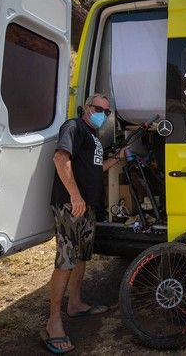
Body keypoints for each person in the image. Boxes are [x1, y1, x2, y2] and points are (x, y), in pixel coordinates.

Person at [41, 93, 123, 354]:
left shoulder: (94, 138)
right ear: (86, 108)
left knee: (81, 257)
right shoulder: (73, 127)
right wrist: (75, 195)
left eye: (106, 112)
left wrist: (118, 157)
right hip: (70, 204)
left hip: (87, 206)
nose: (102, 114)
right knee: (65, 259)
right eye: (98, 108)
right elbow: (60, 159)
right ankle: (53, 322)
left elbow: (95, 168)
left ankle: (74, 304)